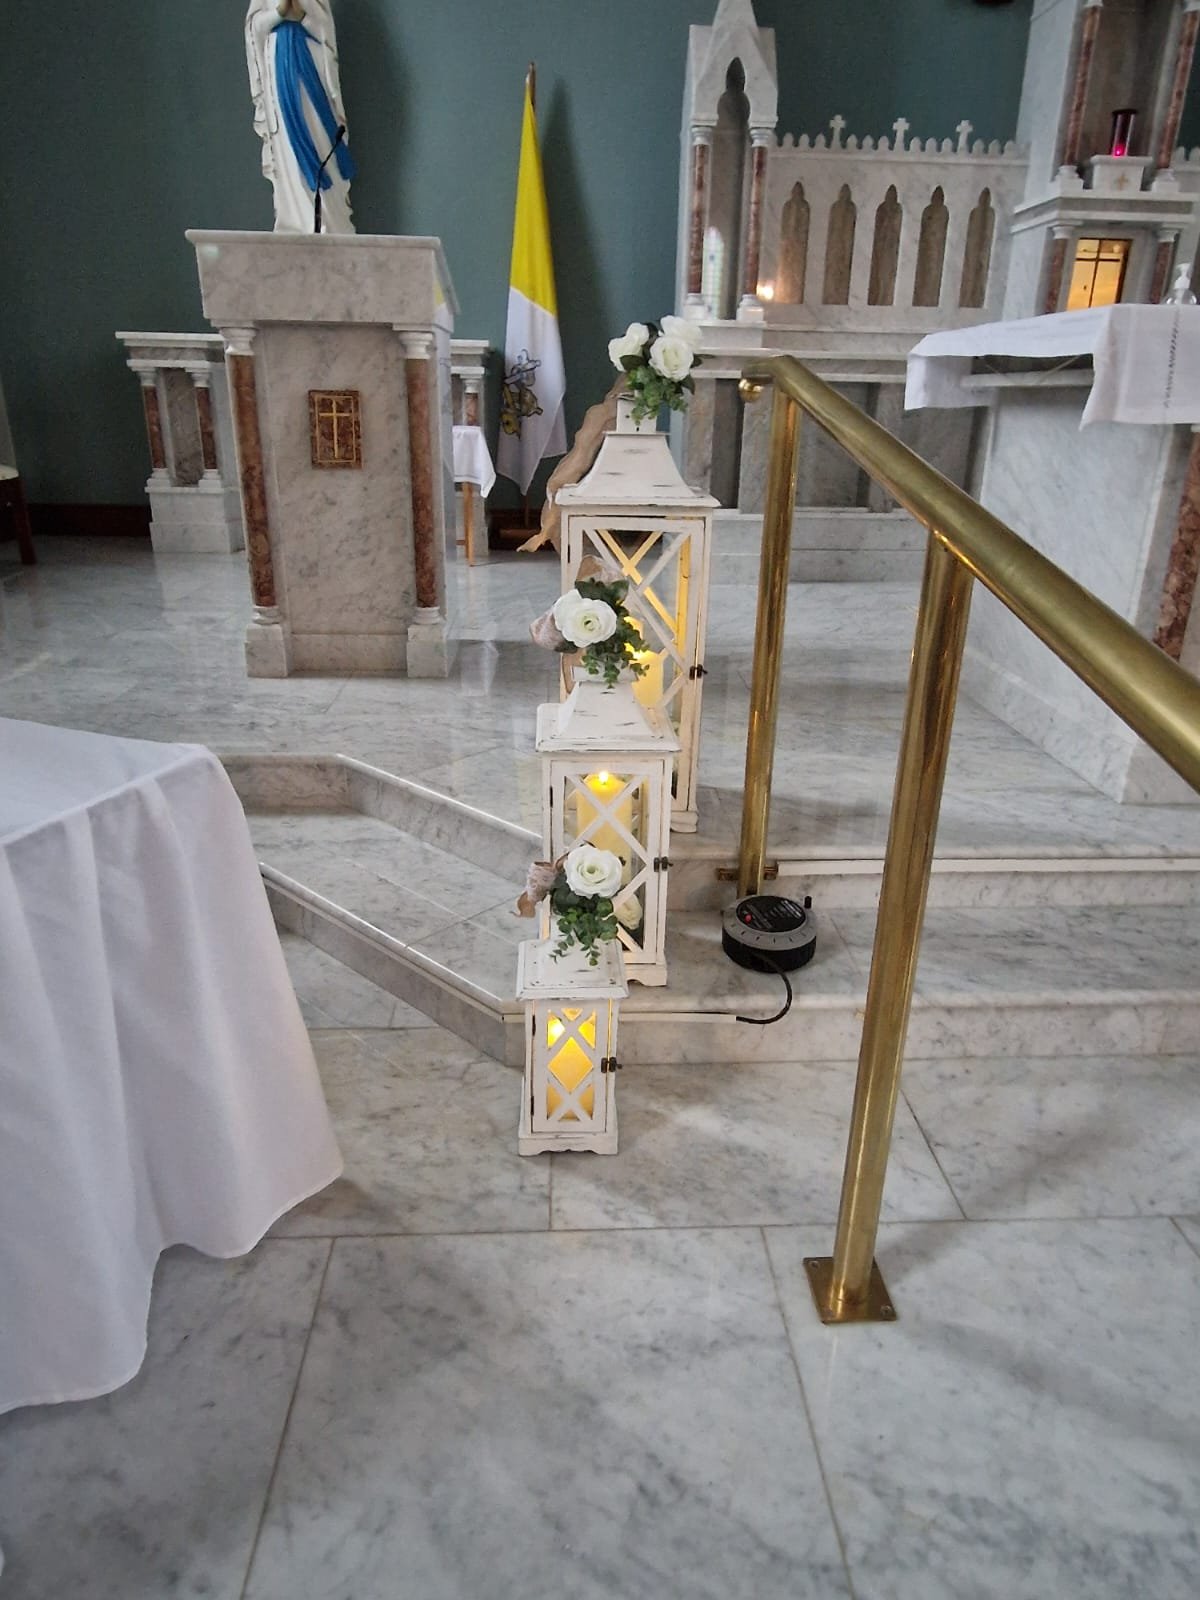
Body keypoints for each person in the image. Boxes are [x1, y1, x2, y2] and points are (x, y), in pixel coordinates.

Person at [245, 0, 357, 234]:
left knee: (321, 138)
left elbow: (325, 29)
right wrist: (278, 13)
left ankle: (329, 218)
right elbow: (255, 28)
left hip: (311, 66)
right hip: (279, 70)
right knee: (288, 147)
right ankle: (297, 220)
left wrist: (302, 17)